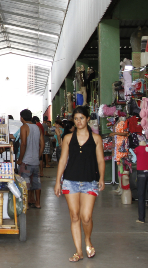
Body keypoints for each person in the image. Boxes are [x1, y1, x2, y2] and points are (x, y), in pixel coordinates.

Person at [54, 106, 106, 262]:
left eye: (82, 118)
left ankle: (88, 240)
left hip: (90, 182)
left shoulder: (96, 139)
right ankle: (79, 251)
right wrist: (58, 181)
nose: (79, 121)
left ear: (88, 118)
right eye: (76, 119)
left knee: (86, 217)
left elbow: (100, 160)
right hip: (70, 182)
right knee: (75, 216)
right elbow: (63, 160)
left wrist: (102, 177)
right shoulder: (68, 138)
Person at [17, 109, 44, 209]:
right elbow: (42, 144)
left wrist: (20, 159)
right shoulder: (38, 128)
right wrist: (38, 155)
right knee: (36, 183)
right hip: (35, 161)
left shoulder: (24, 127)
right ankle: (37, 203)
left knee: (25, 183)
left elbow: (23, 144)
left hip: (26, 161)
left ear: (22, 118)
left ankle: (26, 204)